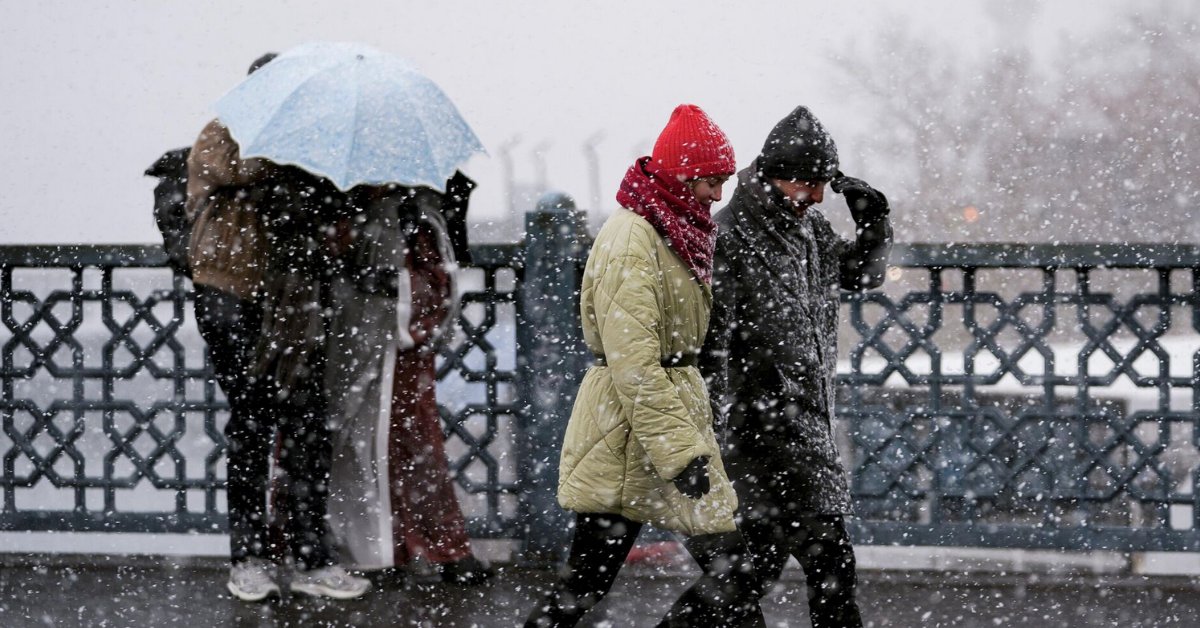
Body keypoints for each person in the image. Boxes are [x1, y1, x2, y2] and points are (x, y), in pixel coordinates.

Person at [525, 104, 764, 628]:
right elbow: (633, 362)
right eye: (711, 182)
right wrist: (681, 452)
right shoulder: (632, 239)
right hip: (631, 432)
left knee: (729, 579)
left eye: (724, 182)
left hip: (655, 425)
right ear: (682, 175)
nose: (717, 195)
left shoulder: (670, 229)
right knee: (594, 585)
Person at [700, 105, 893, 628]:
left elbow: (862, 274)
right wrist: (710, 439)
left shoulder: (807, 230)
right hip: (754, 438)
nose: (816, 196)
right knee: (762, 578)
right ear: (772, 175)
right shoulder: (729, 236)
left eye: (822, 185)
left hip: (800, 430)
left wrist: (873, 223)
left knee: (804, 572)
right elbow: (711, 350)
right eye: (807, 184)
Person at [188, 51, 369, 602]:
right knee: (251, 422)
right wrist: (293, 151)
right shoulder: (224, 130)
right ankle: (248, 558)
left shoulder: (310, 146)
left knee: (309, 424)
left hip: (296, 299)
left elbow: (340, 203)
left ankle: (311, 557)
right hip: (231, 292)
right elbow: (234, 173)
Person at [324, 178, 492, 585]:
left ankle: (405, 548)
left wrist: (388, 289)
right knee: (372, 445)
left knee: (402, 444)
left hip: (385, 352)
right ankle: (389, 549)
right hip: (358, 347)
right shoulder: (394, 210)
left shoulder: (410, 213)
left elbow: (434, 286)